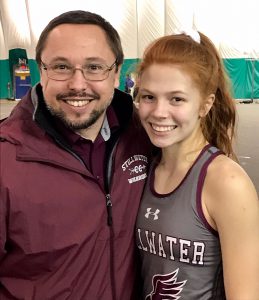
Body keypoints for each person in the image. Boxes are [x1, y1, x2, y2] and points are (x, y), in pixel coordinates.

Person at [0, 10, 151, 300]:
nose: (78, 84)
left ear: (117, 72)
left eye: (94, 67)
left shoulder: (144, 139)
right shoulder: (6, 158)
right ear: (41, 71)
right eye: (61, 67)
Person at [135, 31, 259, 299]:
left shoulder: (226, 183)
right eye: (148, 97)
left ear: (205, 104)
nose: (158, 112)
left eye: (176, 99)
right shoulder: (141, 171)